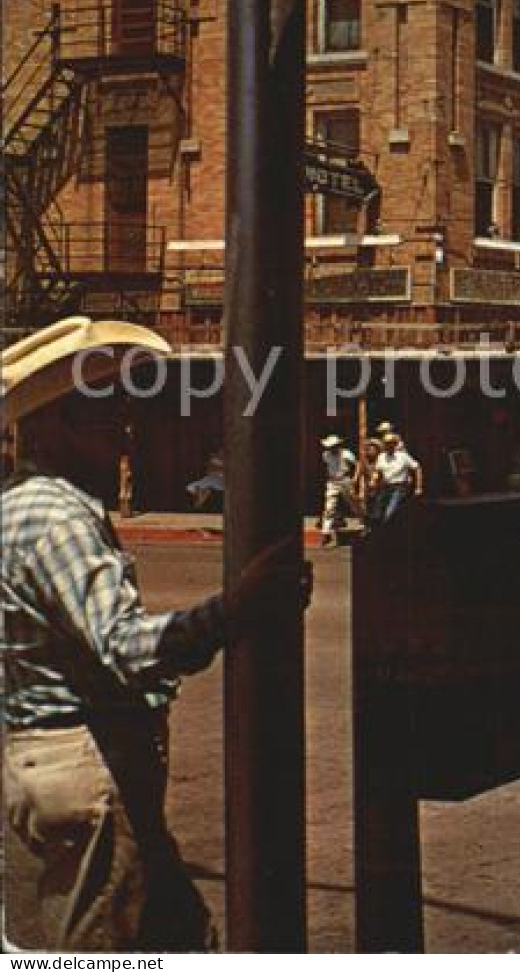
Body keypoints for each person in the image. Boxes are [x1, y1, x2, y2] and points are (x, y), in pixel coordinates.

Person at [1, 317, 310, 951]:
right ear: (53, 427)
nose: (124, 425)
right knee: (97, 952)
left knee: (179, 935)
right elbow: (126, 646)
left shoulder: (21, 504)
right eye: (102, 411)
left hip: (61, 757)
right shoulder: (57, 517)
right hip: (88, 762)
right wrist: (234, 609)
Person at [369, 430, 422, 527]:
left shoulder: (403, 456)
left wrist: (418, 487)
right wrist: (373, 480)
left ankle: (388, 530)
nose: (388, 445)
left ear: (394, 444)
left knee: (389, 513)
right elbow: (378, 471)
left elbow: (417, 468)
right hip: (386, 486)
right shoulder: (381, 457)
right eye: (386, 443)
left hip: (400, 487)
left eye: (390, 443)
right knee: (376, 511)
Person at [318, 434, 359, 547]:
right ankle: (326, 533)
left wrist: (355, 478)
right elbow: (327, 467)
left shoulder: (346, 453)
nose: (331, 448)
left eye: (333, 446)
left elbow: (357, 464)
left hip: (344, 480)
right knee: (329, 508)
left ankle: (363, 523)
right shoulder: (326, 455)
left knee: (353, 503)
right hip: (332, 481)